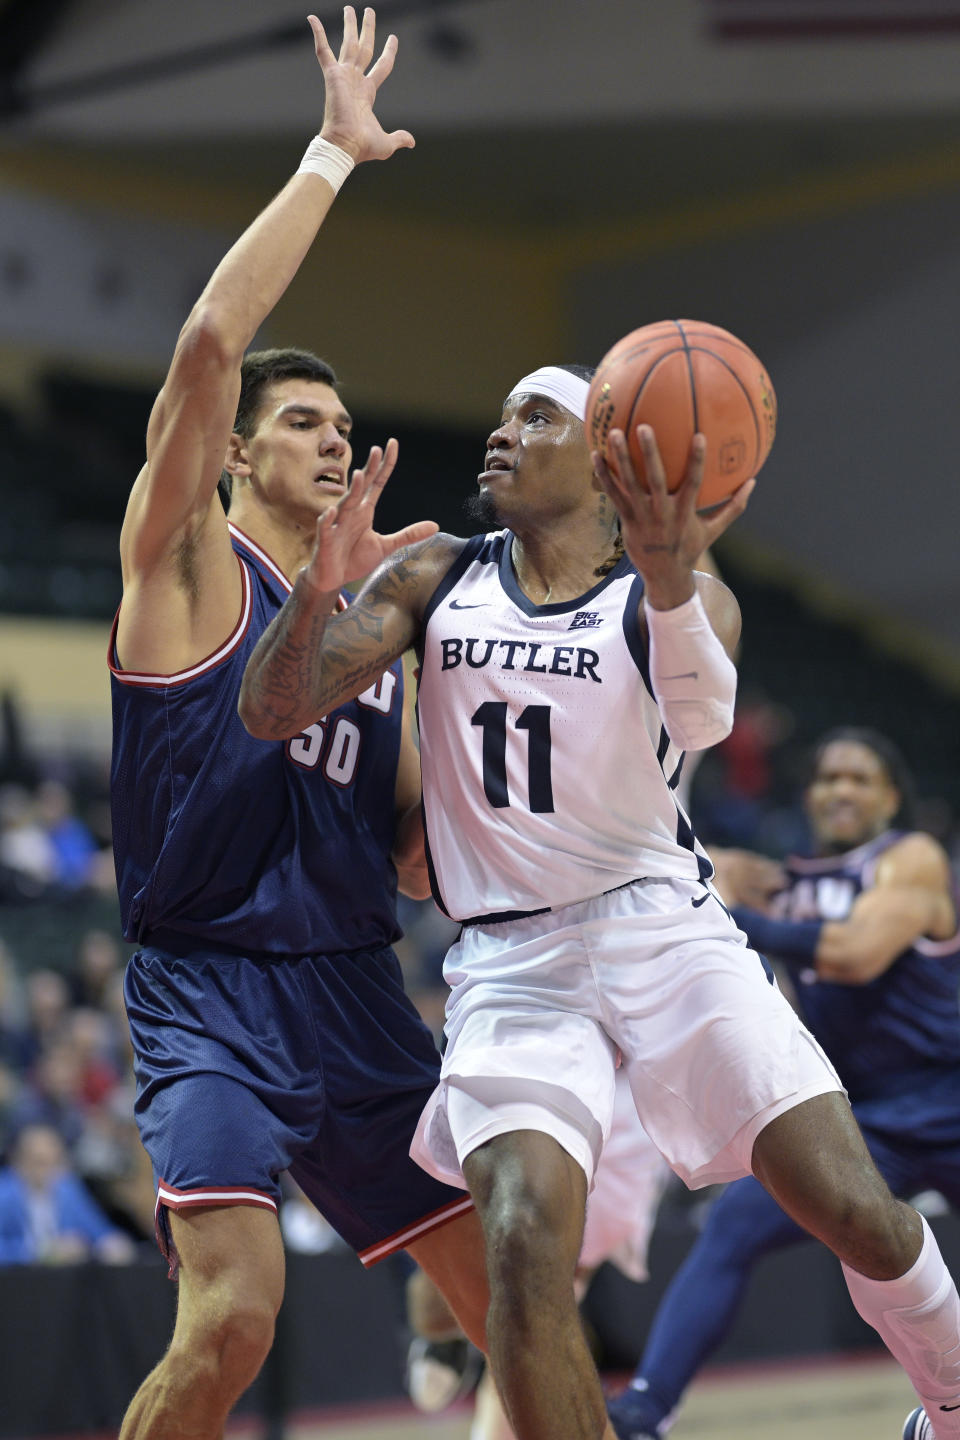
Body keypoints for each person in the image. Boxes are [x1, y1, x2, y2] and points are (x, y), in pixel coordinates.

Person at [238, 364, 960, 1440]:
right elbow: (270, 708)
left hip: (665, 934)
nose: (502, 432)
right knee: (526, 1249)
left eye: (536, 417)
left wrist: (670, 583)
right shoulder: (436, 575)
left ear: (609, 459)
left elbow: (706, 716)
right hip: (513, 965)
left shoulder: (678, 595)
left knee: (854, 1210)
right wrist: (313, 594)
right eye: (501, 414)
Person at [109, 12, 488, 1440]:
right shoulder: (193, 564)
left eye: (342, 424)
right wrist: (333, 151)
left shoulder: (379, 635)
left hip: (356, 990)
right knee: (236, 1318)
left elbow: (407, 861)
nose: (332, 438)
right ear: (241, 450)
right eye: (302, 421)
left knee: (522, 1305)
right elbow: (213, 338)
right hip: (208, 984)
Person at [608, 727, 960, 1440]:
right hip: (866, 1116)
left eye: (860, 779)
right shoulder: (785, 878)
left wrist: (726, 923)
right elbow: (679, 867)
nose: (841, 790)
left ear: (891, 797)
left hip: (949, 1097)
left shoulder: (909, 858)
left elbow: (858, 954)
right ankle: (645, 1410)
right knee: (733, 1226)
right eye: (829, 778)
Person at [406, 1066, 672, 1439]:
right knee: (475, 1281)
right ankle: (440, 1339)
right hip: (529, 1053)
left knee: (543, 1292)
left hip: (623, 1098)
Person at [0, 1122, 135, 1266]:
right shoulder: (5, 1193)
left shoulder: (67, 1189)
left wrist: (111, 1242)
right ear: (21, 1161)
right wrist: (40, 1251)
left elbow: (97, 1229)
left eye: (55, 1162)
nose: (49, 1171)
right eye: (40, 1162)